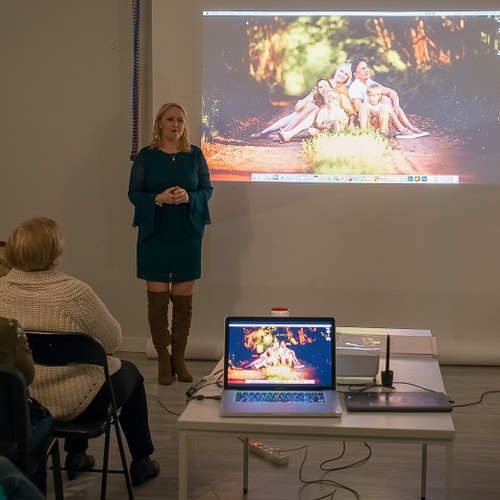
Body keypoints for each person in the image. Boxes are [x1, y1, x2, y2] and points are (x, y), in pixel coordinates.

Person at [0, 217, 160, 486]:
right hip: (78, 404)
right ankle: (141, 462)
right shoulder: (74, 293)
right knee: (128, 373)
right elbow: (112, 340)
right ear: (54, 257)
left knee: (80, 369)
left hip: (20, 403)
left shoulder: (2, 291)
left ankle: (77, 456)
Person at [128, 102, 213, 387]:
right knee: (157, 300)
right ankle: (163, 358)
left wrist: (190, 197)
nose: (175, 125)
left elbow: (206, 190)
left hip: (187, 232)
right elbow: (134, 193)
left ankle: (179, 357)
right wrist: (157, 199)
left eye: (180, 120)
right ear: (160, 124)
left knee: (183, 301)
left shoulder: (195, 155)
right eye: (170, 120)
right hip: (155, 232)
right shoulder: (147, 156)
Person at [349, 57, 428, 137]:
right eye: (363, 69)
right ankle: (401, 130)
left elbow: (391, 92)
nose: (367, 70)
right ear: (356, 74)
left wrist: (396, 106)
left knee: (385, 98)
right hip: (368, 121)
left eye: (366, 67)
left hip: (380, 119)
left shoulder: (369, 82)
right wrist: (380, 112)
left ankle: (410, 127)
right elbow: (359, 107)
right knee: (384, 98)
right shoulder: (355, 86)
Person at [277, 77, 334, 143]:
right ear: (318, 90)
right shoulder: (320, 99)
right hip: (319, 126)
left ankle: (288, 133)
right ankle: (286, 133)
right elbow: (297, 109)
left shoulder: (334, 97)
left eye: (325, 86)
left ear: (330, 86)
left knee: (315, 113)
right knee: (308, 109)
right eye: (320, 87)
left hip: (329, 127)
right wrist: (309, 98)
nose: (323, 88)